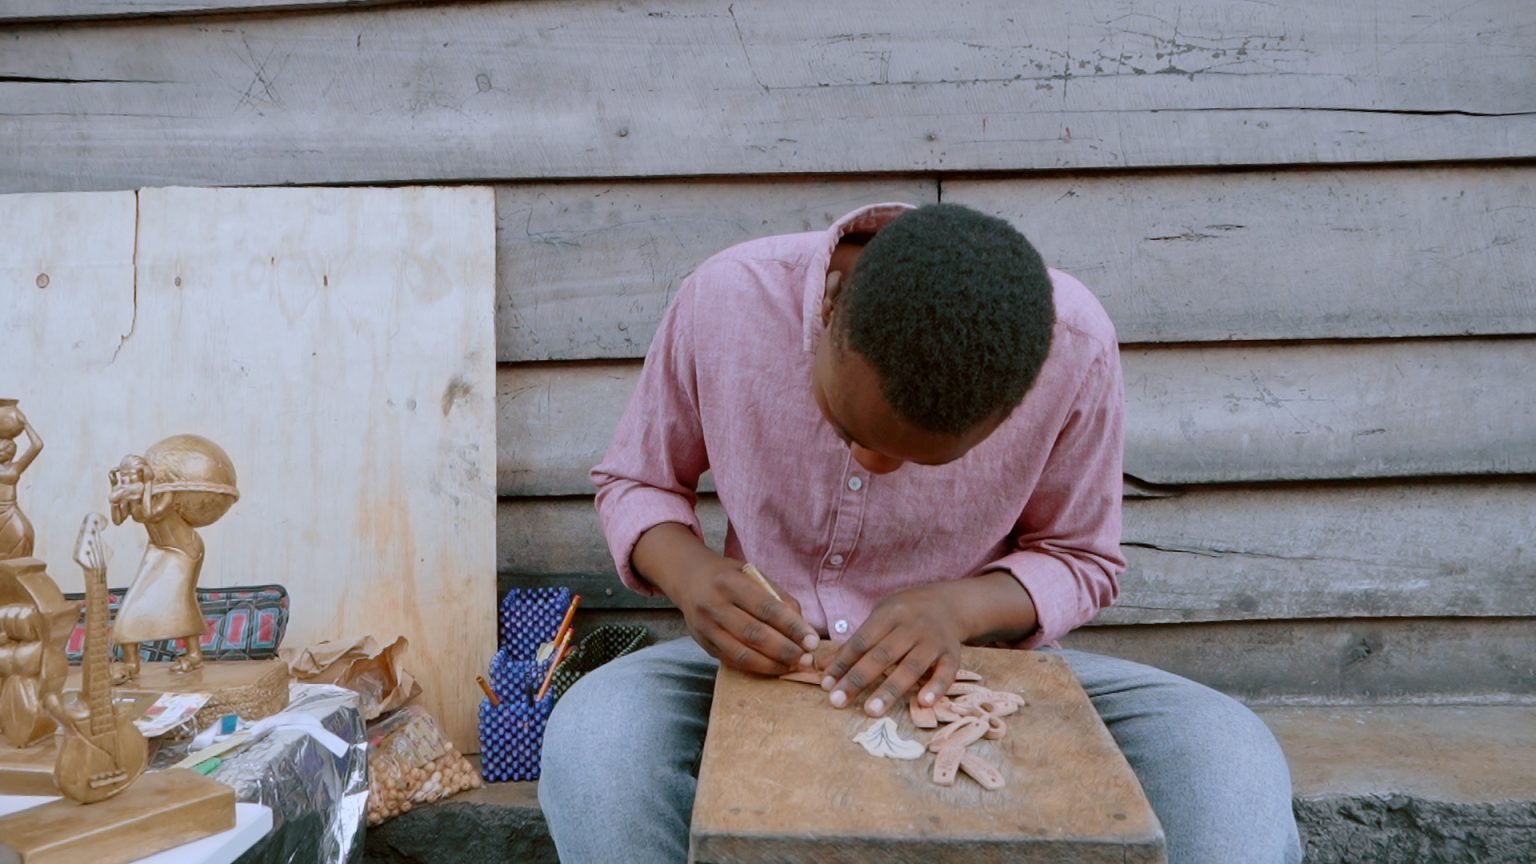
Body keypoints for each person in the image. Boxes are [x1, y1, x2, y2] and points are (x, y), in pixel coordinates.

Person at [540, 203, 1301, 864]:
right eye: (846, 426)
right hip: (767, 669)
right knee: (594, 742)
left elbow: (1082, 556)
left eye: (926, 460)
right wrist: (689, 573)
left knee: (1228, 755)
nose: (874, 462)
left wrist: (960, 612)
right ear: (830, 309)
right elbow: (638, 480)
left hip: (978, 677)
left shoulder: (1073, 348)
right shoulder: (725, 302)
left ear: (1015, 407)